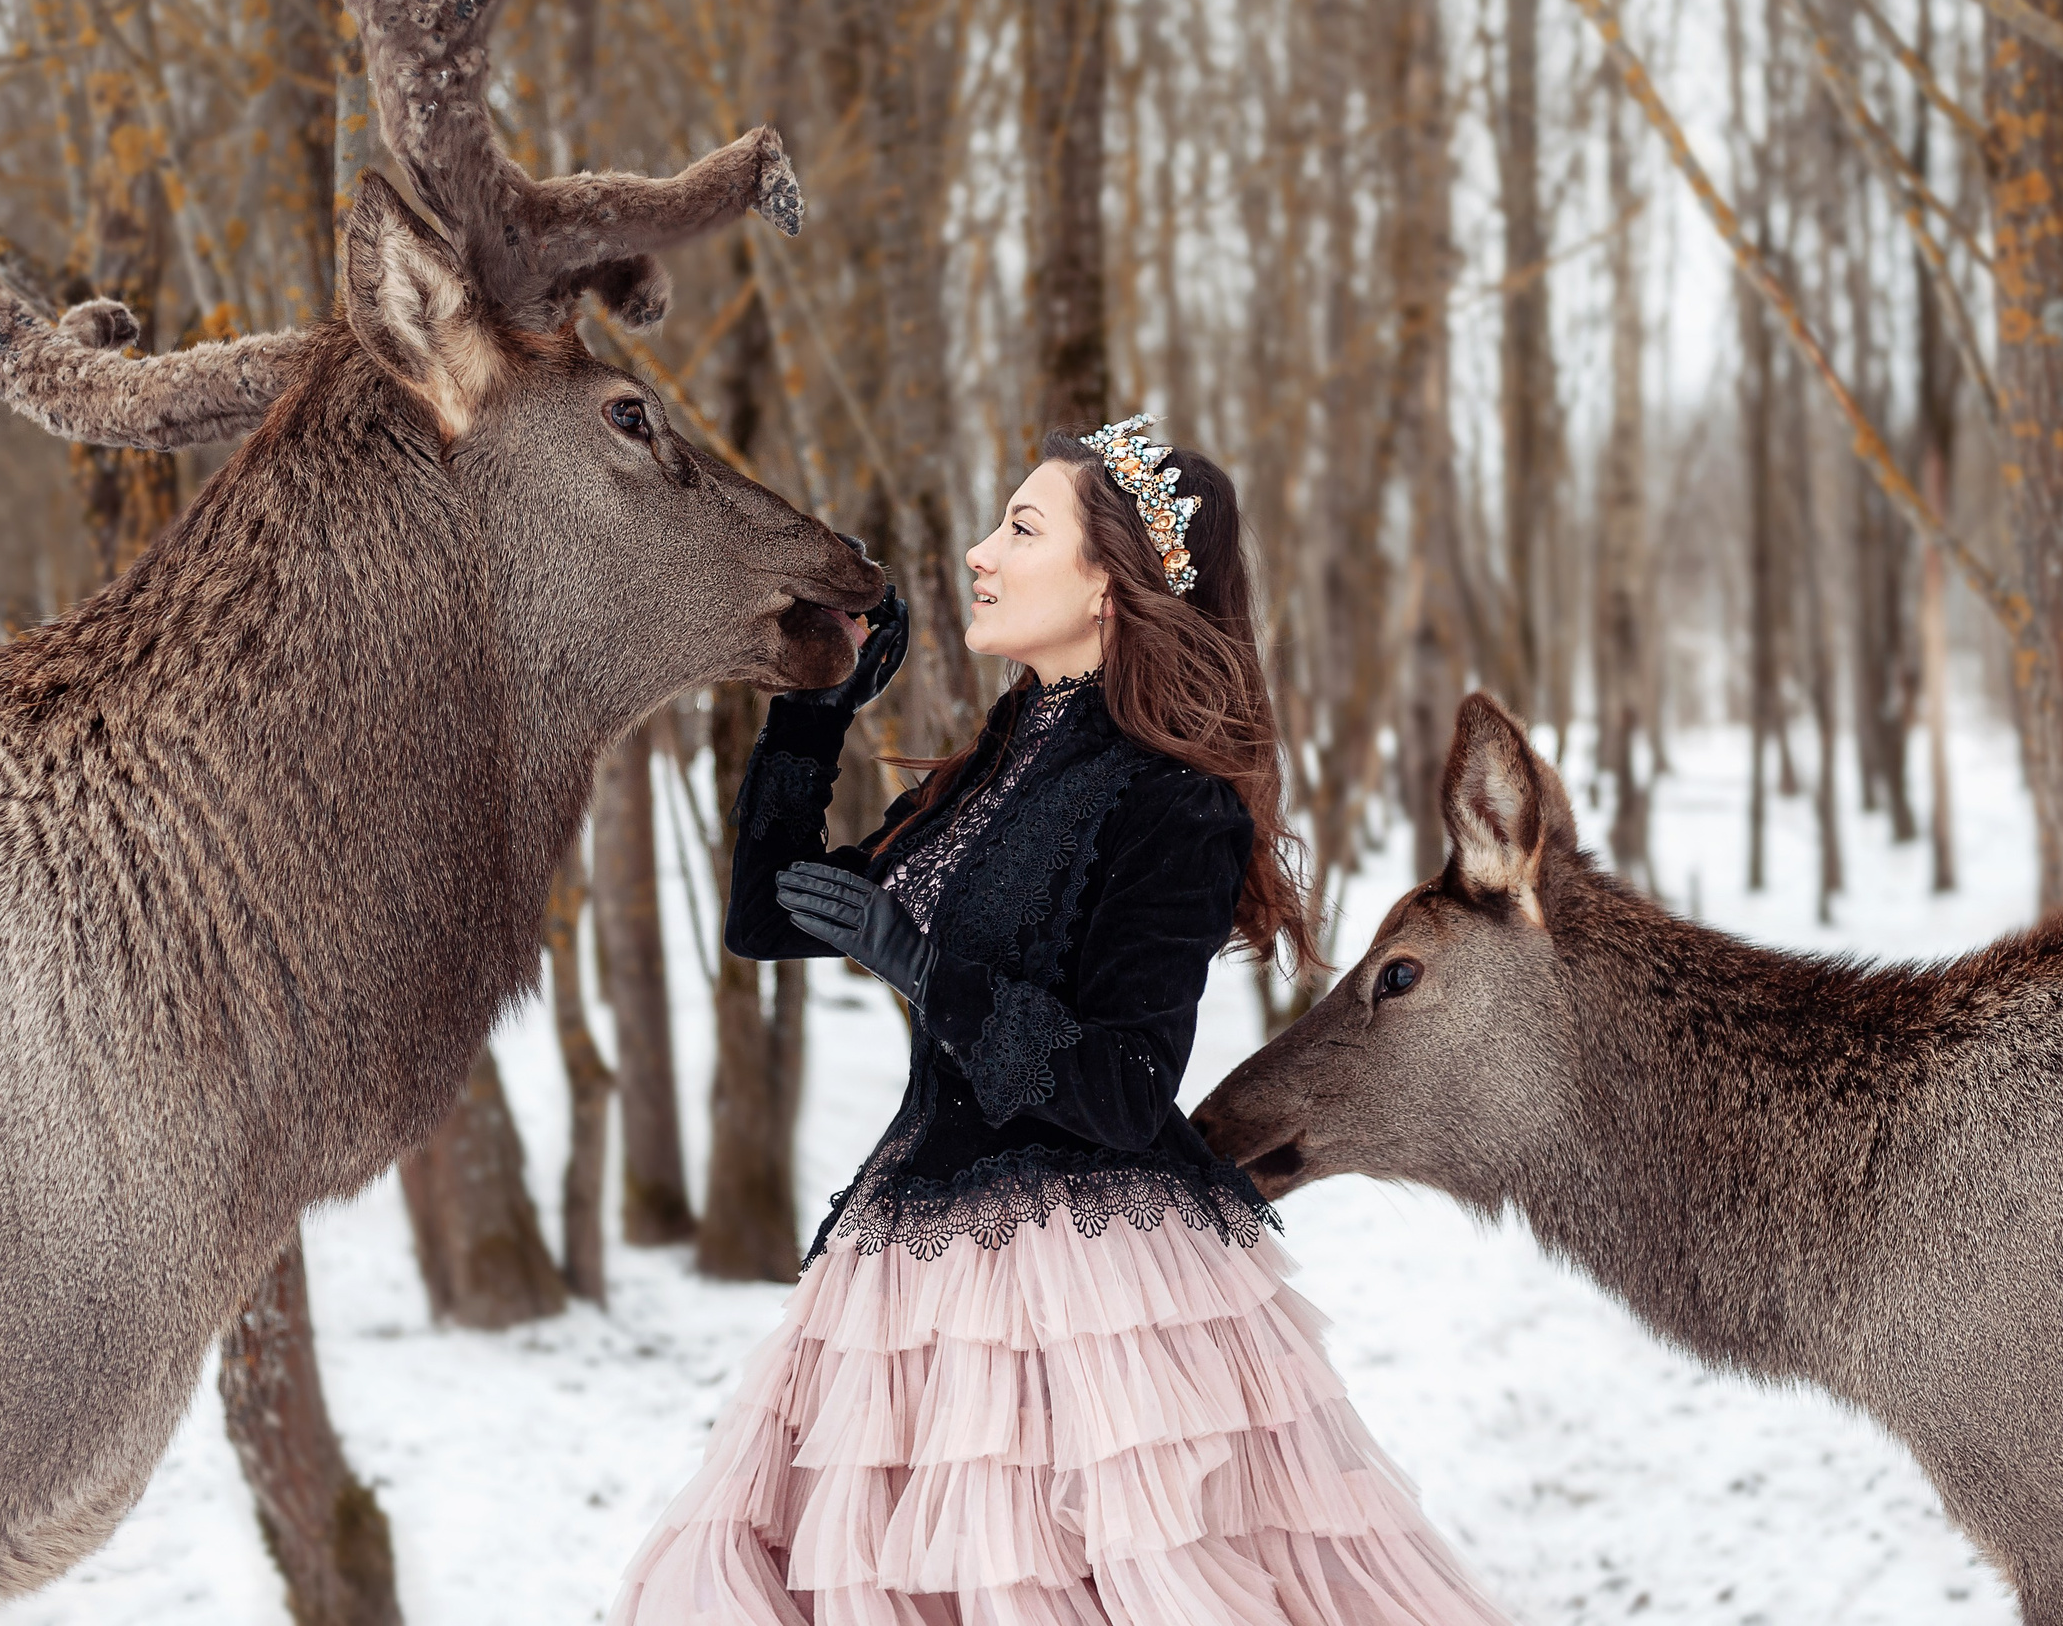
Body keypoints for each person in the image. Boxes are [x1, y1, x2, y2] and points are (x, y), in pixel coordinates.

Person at [612, 417, 1513, 1625]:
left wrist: (924, 967)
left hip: (1090, 1292)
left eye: (1020, 528)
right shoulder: (989, 770)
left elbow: (1124, 1089)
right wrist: (811, 718)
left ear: (1109, 585)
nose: (979, 554)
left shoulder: (1175, 803)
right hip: (905, 1283)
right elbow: (767, 920)